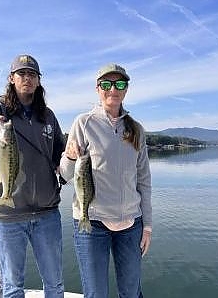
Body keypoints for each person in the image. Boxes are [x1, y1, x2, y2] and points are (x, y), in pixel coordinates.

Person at [0, 54, 65, 298]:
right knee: (12, 287)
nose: (27, 78)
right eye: (21, 74)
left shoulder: (48, 116)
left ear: (39, 81)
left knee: (55, 284)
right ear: (11, 78)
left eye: (32, 74)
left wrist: (75, 161)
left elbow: (61, 154)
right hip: (7, 215)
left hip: (47, 212)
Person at [60, 63, 152, 298]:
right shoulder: (83, 123)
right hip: (91, 223)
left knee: (131, 293)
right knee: (95, 293)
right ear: (97, 89)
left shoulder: (137, 130)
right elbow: (66, 174)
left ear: (126, 89)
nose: (113, 89)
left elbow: (144, 181)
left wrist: (148, 226)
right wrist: (70, 157)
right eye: (107, 84)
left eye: (119, 84)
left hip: (131, 224)